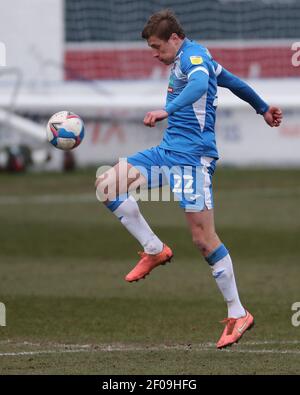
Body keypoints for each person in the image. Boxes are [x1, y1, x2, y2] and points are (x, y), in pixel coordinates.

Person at [95, 9, 282, 349]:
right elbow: (233, 81)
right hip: (167, 153)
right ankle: (154, 249)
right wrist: (263, 107)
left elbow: (198, 84)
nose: (155, 53)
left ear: (175, 39)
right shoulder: (196, 56)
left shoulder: (193, 57)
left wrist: (168, 109)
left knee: (203, 239)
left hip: (192, 161)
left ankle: (238, 312)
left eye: (157, 46)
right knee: (107, 185)